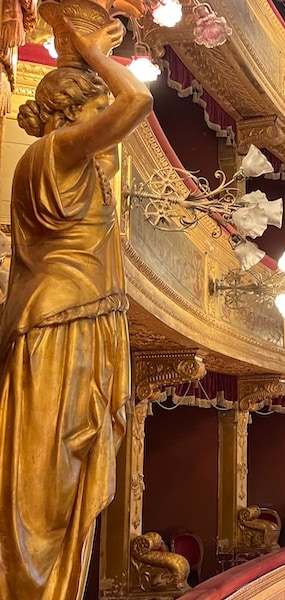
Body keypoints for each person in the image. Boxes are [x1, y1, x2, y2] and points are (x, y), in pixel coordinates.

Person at [0, 1, 152, 596]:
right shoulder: (55, 152)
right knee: (46, 493)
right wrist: (92, 52)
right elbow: (136, 103)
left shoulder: (66, 163)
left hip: (79, 320)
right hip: (61, 325)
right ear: (71, 112)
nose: (105, 120)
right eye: (94, 107)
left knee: (65, 487)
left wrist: (95, 54)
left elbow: (118, 126)